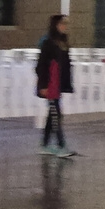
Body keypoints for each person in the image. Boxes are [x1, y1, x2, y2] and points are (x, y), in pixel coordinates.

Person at [35, 15, 77, 157]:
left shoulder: (63, 42)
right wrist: (44, 85)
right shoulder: (48, 43)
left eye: (66, 24)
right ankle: (61, 145)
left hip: (58, 83)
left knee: (52, 114)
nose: (65, 26)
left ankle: (45, 144)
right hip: (51, 84)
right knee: (56, 114)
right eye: (62, 24)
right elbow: (41, 66)